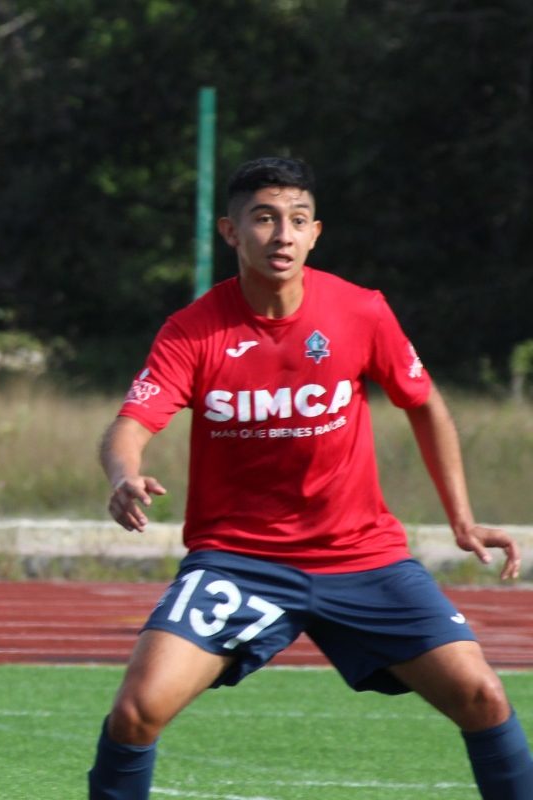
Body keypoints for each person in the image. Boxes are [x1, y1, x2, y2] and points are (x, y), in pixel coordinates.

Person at [87, 156, 533, 799]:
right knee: (136, 711)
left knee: (482, 695)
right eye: (264, 219)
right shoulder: (193, 331)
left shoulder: (361, 311)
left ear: (316, 233)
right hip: (238, 561)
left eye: (297, 220)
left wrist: (460, 518)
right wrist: (124, 474)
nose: (282, 235)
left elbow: (424, 403)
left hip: (363, 558)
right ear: (231, 232)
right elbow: (130, 423)